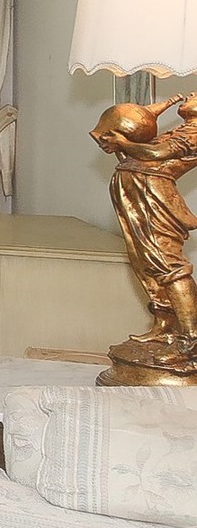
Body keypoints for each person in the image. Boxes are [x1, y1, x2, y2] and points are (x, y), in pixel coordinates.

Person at [91, 93, 197, 360]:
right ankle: (164, 326)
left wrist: (122, 142)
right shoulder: (183, 128)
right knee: (145, 263)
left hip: (154, 196)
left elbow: (156, 153)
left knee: (168, 265)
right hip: (137, 192)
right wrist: (120, 143)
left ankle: (191, 340)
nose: (193, 94)